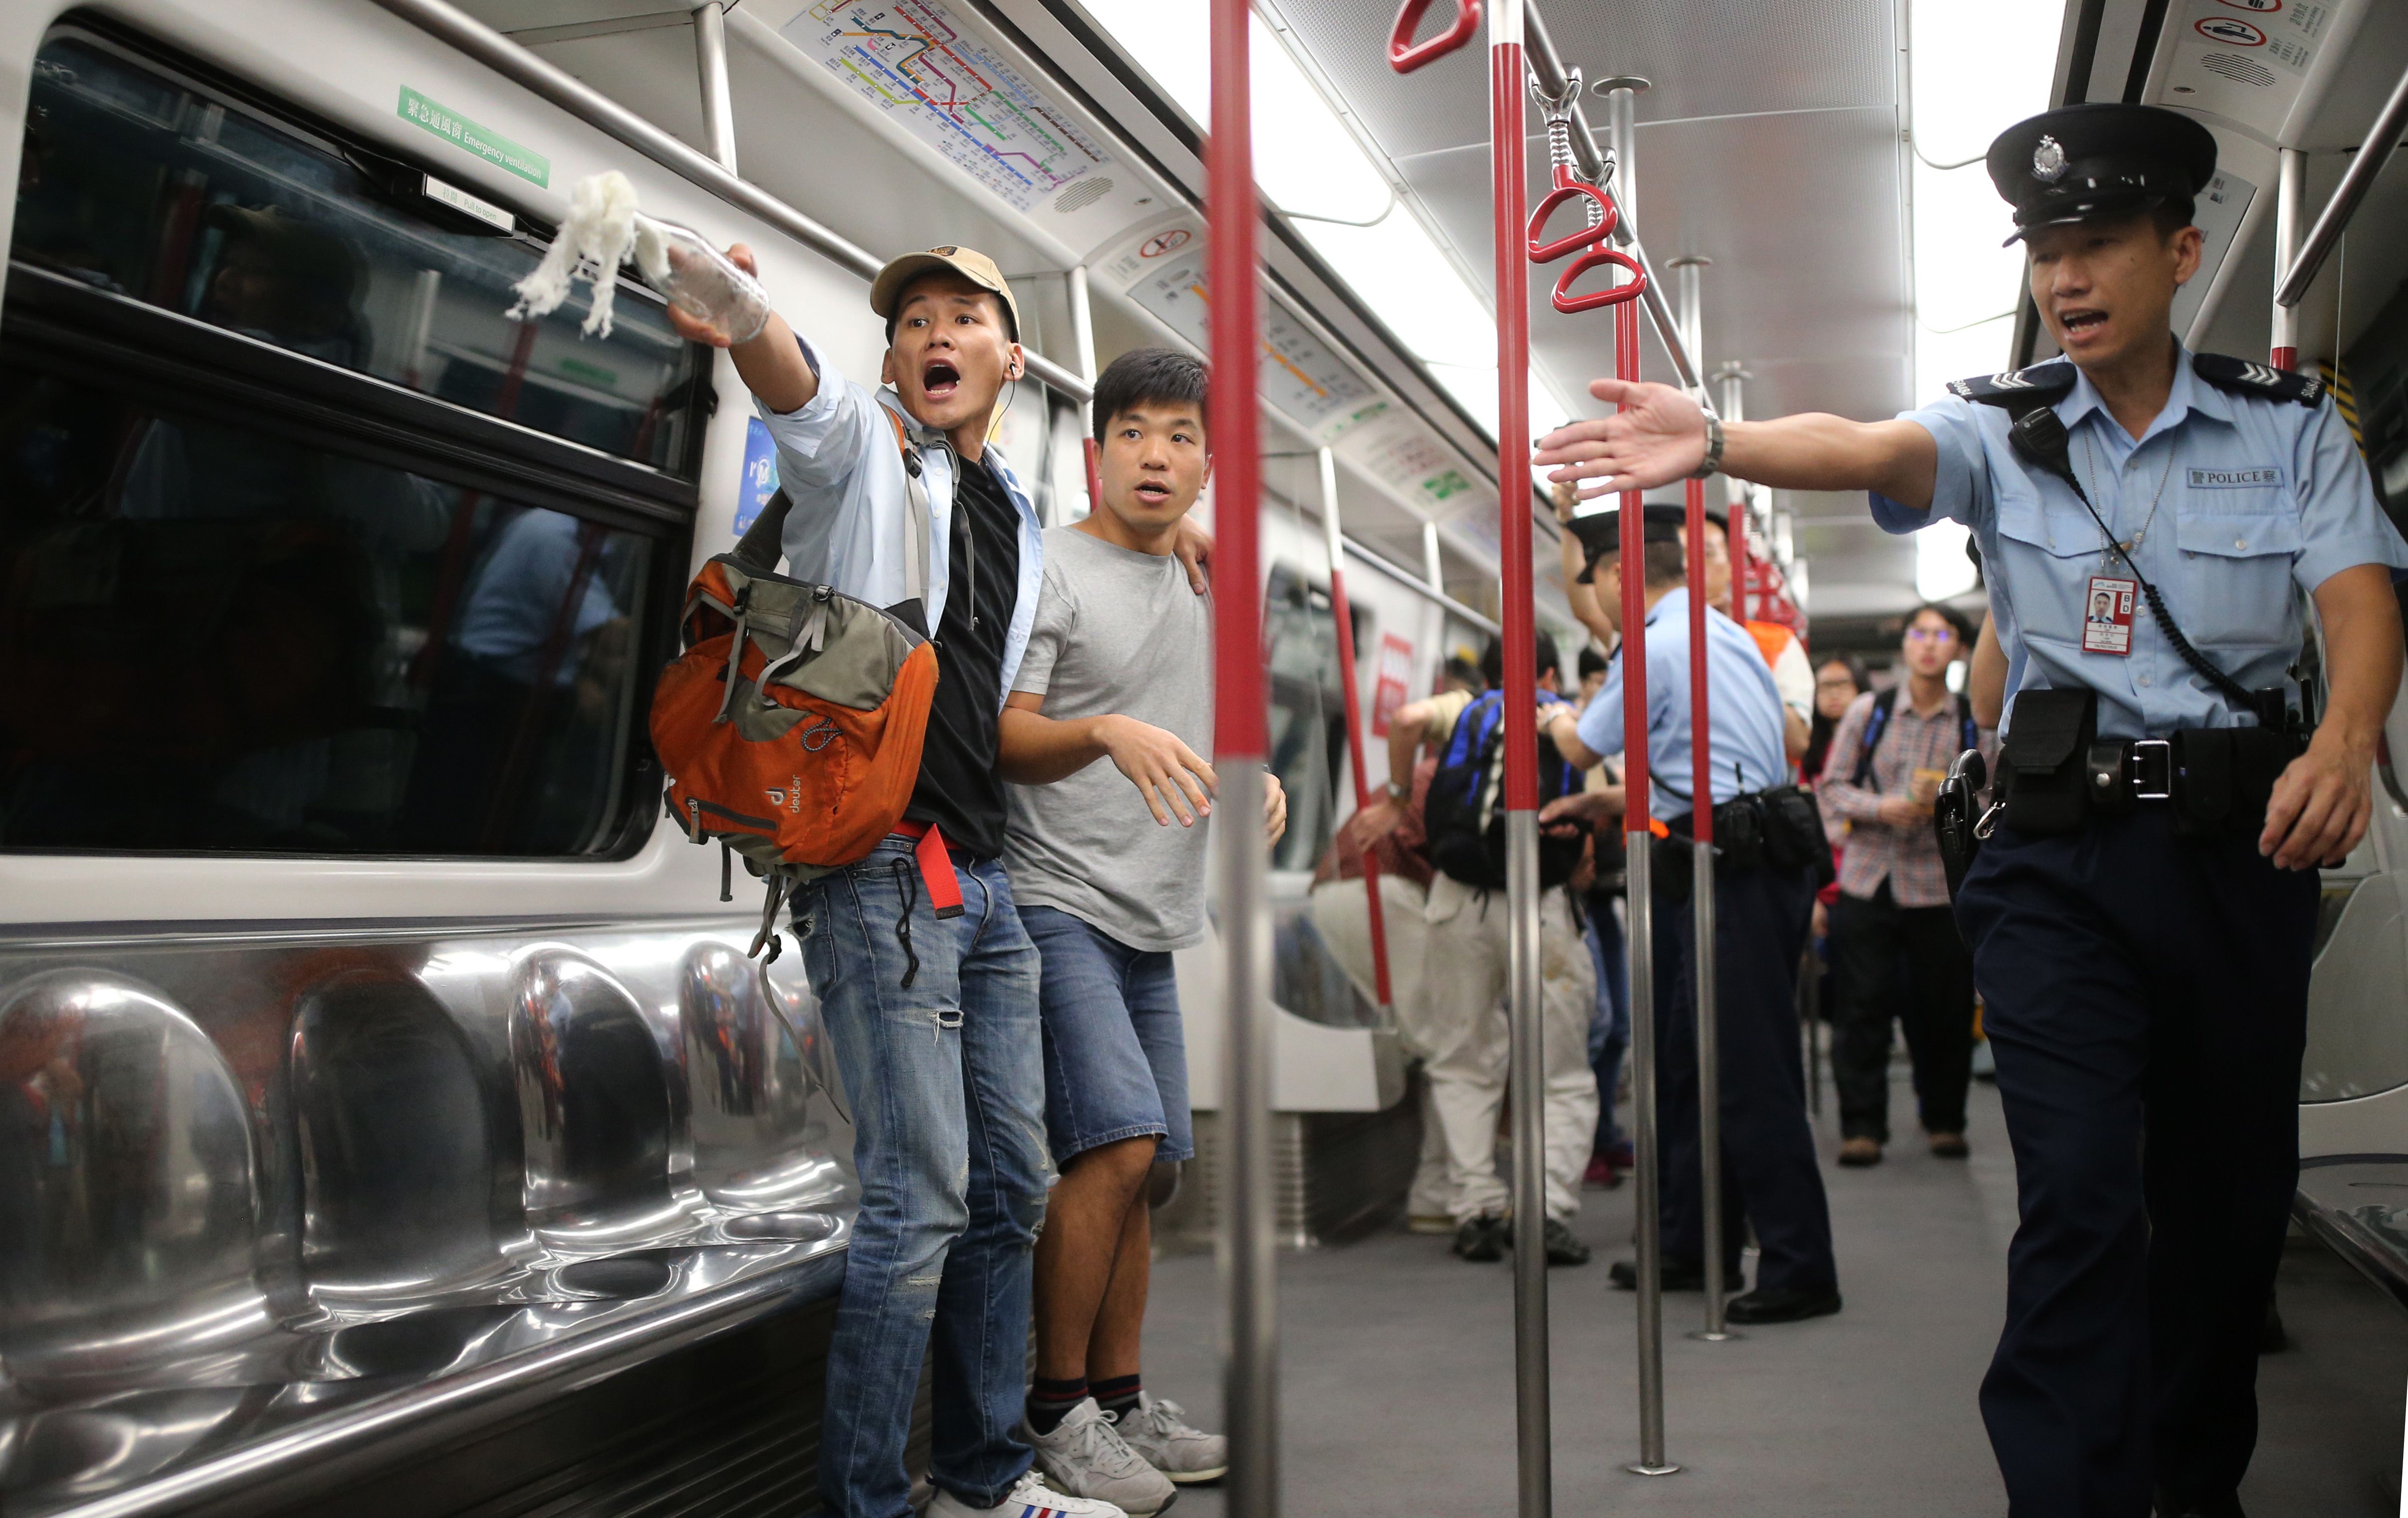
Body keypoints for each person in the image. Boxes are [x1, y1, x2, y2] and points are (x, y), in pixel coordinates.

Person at [1531, 101, 2408, 1518]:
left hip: (2236, 851)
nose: (2066, 277)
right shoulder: (2000, 429)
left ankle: (2192, 1485)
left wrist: (2347, 739)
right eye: (2046, 251)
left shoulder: (2284, 424)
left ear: (2179, 252)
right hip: (2057, 863)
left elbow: (2357, 598)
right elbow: (1866, 445)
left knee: (2225, 1206)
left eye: (2097, 243)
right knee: (2075, 1192)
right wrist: (1720, 441)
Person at [677, 242, 1207, 1518]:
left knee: (1012, 1188)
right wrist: (746, 316)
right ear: (893, 357)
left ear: (1007, 359)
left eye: (963, 317)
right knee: (917, 1202)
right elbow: (799, 396)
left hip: (977, 882)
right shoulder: (866, 460)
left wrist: (1175, 528)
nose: (934, 334)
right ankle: (866, 1501)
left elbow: (1075, 572)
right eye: (913, 319)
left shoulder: (1010, 508)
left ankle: (984, 1475)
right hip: (878, 872)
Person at [996, 348, 1283, 1513]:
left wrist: (1252, 776)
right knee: (1113, 1145)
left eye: (1178, 436)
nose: (1153, 455)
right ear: (1093, 452)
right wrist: (1102, 731)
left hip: (1152, 914)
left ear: (1208, 464)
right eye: (1131, 433)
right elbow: (1005, 735)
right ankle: (1054, 1408)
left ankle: (1118, 1402)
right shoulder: (1051, 569)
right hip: (1054, 895)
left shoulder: (1207, 580)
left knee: (1152, 1167)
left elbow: (1198, 713)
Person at [1545, 507, 1841, 1324]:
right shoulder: (1724, 633)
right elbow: (1717, 759)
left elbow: (1581, 744)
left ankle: (1800, 1263)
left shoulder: (1653, 646)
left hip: (1730, 868)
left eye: (1599, 582)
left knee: (1747, 1068)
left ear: (1618, 575)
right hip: (1750, 855)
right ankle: (1692, 1240)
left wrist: (1551, 715)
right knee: (1688, 1062)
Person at [1385, 634, 1600, 1267]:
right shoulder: (1562, 713)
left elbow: (1406, 719)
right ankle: (1548, 1210)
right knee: (1562, 1068)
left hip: (1460, 899)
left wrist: (1397, 795)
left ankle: (1476, 1208)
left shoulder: (1467, 707)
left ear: (1487, 672)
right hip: (1542, 902)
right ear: (1550, 673)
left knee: (1463, 1057)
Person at [1815, 603, 1988, 1167]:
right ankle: (1862, 1127)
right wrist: (1881, 807)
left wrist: (1948, 811)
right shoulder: (1870, 711)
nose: (1929, 644)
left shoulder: (1974, 719)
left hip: (1940, 887)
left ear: (1959, 647)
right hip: (1871, 880)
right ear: (1906, 644)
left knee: (1943, 1010)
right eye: (1919, 633)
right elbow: (1831, 787)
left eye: (1942, 634)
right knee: (1861, 1008)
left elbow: (1992, 799)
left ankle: (1945, 1120)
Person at [1574, 644, 1632, 1187]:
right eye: (1596, 679)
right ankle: (1585, 1142)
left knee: (1620, 1026)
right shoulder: (1569, 740)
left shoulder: (1614, 752)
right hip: (1573, 901)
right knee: (1597, 1023)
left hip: (1608, 897)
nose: (1604, 688)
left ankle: (1605, 1131)